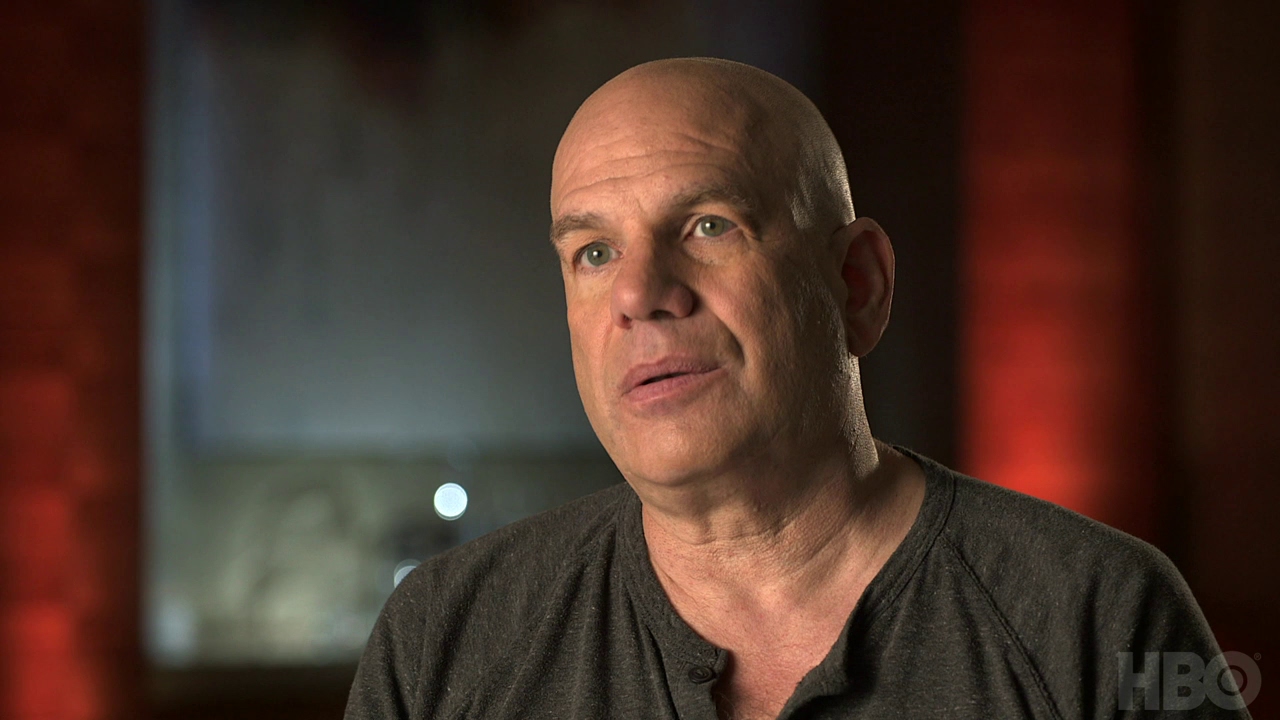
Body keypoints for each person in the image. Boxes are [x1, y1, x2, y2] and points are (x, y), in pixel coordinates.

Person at [345, 58, 1245, 719]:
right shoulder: (446, 639)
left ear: (857, 285)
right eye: (594, 252)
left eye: (709, 226)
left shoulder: (1098, 616)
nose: (639, 294)